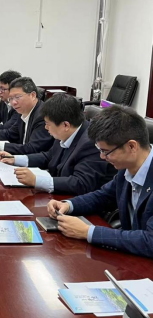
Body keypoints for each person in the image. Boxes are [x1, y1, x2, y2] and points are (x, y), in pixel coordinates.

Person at [47, 105, 153, 258]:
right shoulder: (127, 168)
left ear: (131, 146)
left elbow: (150, 241)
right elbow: (103, 196)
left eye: (106, 151)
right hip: (132, 257)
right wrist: (69, 205)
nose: (102, 157)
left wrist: (88, 232)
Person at [0, 93, 115, 195]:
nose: (46, 127)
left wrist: (36, 180)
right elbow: (49, 156)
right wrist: (15, 159)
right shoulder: (65, 133)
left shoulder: (91, 143)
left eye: (48, 124)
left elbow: (81, 183)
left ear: (65, 125)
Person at [0, 77, 54, 154]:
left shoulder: (43, 116)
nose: (13, 102)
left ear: (32, 95)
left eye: (17, 97)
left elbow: (33, 148)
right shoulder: (23, 111)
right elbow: (10, 134)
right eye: (10, 98)